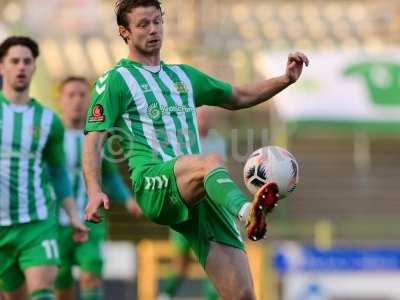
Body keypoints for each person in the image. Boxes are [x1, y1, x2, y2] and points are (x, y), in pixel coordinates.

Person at [83, 1, 309, 299]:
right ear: (124, 32)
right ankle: (247, 211)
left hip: (198, 190)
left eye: (157, 21)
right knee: (209, 162)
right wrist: (94, 189)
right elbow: (93, 138)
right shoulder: (116, 80)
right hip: (154, 183)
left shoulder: (184, 77)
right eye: (143, 24)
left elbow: (238, 95)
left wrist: (285, 80)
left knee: (242, 294)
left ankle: (245, 212)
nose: (153, 30)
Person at [0, 36, 87, 300]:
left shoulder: (49, 121)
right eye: (14, 61)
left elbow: (58, 173)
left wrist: (73, 216)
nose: (21, 67)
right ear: (2, 67)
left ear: (35, 67)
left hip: (38, 222)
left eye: (27, 61)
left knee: (43, 294)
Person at [54, 76, 142, 300]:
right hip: (54, 224)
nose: (77, 100)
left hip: (91, 221)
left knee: (90, 276)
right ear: (60, 100)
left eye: (83, 95)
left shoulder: (96, 138)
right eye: (71, 95)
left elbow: (110, 177)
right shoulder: (51, 136)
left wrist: (128, 199)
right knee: (60, 283)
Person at [160, 107, 224, 299]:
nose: (205, 119)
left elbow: (221, 173)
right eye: (201, 115)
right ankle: (165, 295)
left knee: (212, 259)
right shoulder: (182, 143)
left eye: (208, 116)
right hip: (185, 209)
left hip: (209, 208)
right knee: (181, 263)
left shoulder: (218, 142)